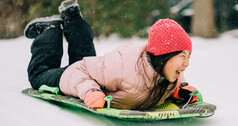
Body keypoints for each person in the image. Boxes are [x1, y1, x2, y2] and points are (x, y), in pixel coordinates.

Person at [25, 0, 200, 110]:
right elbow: (80, 70)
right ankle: (50, 30)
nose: (186, 64)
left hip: (95, 71)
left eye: (188, 57)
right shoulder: (124, 67)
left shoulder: (170, 73)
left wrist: (180, 90)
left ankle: (72, 16)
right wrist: (91, 91)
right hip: (78, 74)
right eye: (182, 56)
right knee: (39, 75)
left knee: (83, 56)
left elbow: (175, 80)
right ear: (164, 55)